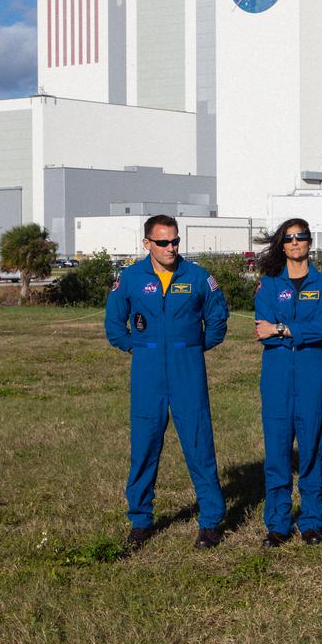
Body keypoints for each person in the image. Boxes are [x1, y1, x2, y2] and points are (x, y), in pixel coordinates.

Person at [104, 215, 229, 550]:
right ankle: (141, 521)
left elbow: (217, 317)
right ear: (147, 244)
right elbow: (114, 323)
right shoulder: (130, 278)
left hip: (187, 368)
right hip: (148, 371)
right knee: (144, 447)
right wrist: (137, 347)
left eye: (175, 241)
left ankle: (211, 521)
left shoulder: (198, 277)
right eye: (163, 242)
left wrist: (195, 346)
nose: (171, 248)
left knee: (199, 444)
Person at [252, 218, 322, 547]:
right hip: (276, 373)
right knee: (276, 450)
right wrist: (297, 331)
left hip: (312, 372)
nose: (294, 243)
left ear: (309, 242)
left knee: (310, 447)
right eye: (288, 238)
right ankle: (277, 522)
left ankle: (312, 520)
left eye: (300, 237)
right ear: (282, 244)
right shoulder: (269, 284)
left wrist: (283, 329)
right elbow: (262, 327)